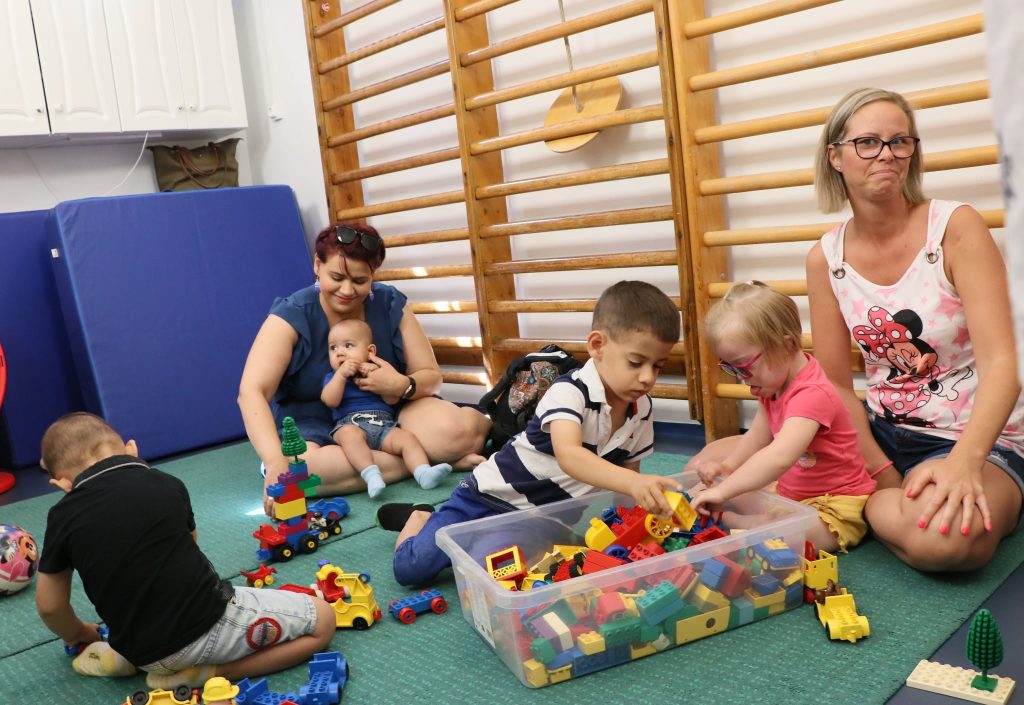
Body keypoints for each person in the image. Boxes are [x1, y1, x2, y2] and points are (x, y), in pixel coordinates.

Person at [805, 87, 1024, 571]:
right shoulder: (825, 259)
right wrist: (881, 471)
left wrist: (964, 462)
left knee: (950, 541)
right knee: (719, 463)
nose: (886, 154)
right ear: (835, 156)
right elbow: (836, 385)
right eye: (867, 142)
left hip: (973, 437)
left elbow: (1004, 363)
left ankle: (863, 507)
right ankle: (886, 498)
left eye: (899, 141)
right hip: (880, 434)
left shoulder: (956, 228)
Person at [375, 281, 683, 587]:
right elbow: (570, 456)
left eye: (658, 365)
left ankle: (474, 542)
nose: (647, 378)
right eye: (635, 362)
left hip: (542, 519)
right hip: (487, 497)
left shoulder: (641, 409)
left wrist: (635, 522)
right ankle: (421, 517)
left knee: (495, 575)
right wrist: (633, 483)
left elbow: (627, 481)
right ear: (597, 345)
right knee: (411, 569)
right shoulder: (569, 391)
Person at [34, 412, 335, 689]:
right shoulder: (167, 484)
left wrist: (80, 633)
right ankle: (211, 673)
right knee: (323, 619)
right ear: (131, 449)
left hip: (137, 648)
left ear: (62, 484)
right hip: (207, 626)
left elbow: (50, 606)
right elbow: (189, 545)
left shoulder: (61, 516)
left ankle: (123, 659)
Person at [238, 221, 490, 513]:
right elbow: (251, 392)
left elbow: (431, 377)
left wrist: (400, 385)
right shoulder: (291, 315)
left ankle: (425, 454)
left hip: (387, 411)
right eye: (337, 277)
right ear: (317, 265)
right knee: (301, 471)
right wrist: (274, 462)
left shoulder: (390, 302)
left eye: (359, 281)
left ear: (373, 275)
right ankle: (423, 462)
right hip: (312, 424)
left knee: (455, 434)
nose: (347, 290)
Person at [687, 282, 877, 553]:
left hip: (833, 507)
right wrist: (728, 468)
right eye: (731, 368)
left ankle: (738, 523)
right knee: (704, 481)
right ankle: (749, 523)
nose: (742, 378)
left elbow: (779, 456)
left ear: (786, 346)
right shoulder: (773, 385)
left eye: (744, 367)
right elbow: (757, 437)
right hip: (790, 496)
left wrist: (725, 491)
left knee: (786, 537)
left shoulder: (812, 393)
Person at [321, 319, 452, 498]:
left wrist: (382, 379)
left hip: (383, 425)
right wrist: (341, 375)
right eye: (333, 348)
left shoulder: (380, 371)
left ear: (370, 352)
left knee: (407, 438)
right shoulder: (333, 377)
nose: (339, 353)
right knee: (349, 436)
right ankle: (371, 475)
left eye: (348, 345)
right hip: (351, 423)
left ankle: (423, 473)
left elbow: (391, 399)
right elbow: (330, 401)